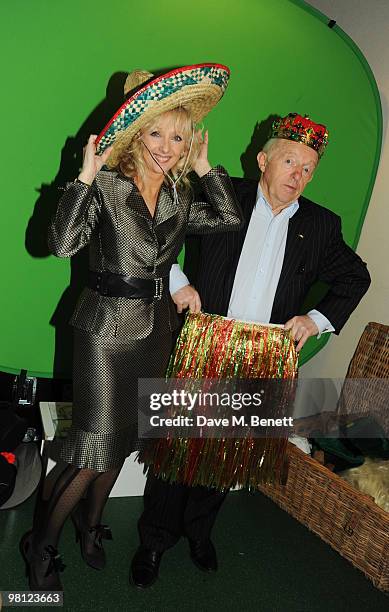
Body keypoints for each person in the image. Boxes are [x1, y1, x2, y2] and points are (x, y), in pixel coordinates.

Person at [20, 63, 242, 591]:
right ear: (136, 134)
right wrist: (83, 179)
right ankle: (40, 547)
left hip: (155, 331)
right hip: (102, 331)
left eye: (178, 136)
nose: (166, 146)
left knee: (124, 442)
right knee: (95, 445)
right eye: (156, 133)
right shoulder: (108, 185)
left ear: (189, 142)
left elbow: (229, 219)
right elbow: (60, 244)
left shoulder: (181, 194)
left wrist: (209, 169)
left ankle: (90, 527)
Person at [133, 113, 371, 586]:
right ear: (264, 160)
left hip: (265, 356)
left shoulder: (322, 226)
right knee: (177, 446)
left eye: (308, 169)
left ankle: (200, 532)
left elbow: (355, 277)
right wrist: (178, 281)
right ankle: (154, 541)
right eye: (289, 162)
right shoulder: (223, 198)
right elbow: (159, 236)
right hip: (205, 342)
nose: (298, 176)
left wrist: (316, 319)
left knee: (228, 452)